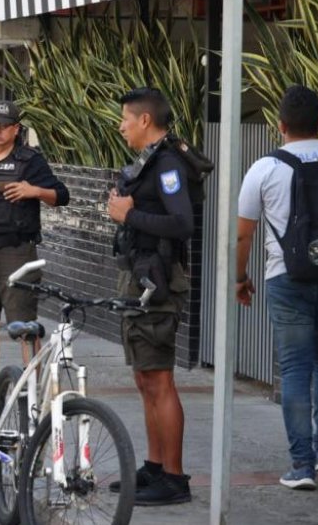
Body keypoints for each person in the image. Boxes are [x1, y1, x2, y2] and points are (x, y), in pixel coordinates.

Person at [236, 84, 318, 490]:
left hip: (285, 278)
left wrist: (239, 278)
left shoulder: (264, 168)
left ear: (280, 126)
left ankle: (301, 466)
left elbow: (243, 234)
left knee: (296, 368)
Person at [106, 87, 194, 506]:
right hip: (141, 279)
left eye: (125, 118)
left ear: (145, 120)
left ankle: (174, 478)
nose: (121, 125)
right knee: (145, 378)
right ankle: (155, 466)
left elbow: (182, 223)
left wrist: (130, 214)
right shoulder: (150, 161)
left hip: (159, 284)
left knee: (159, 379)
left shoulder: (168, 164)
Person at [0, 100, 69, 410]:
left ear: (16, 129)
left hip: (16, 250)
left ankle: (32, 390)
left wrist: (35, 191)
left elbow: (62, 195)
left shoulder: (30, 161)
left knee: (24, 324)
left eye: (3, 125)